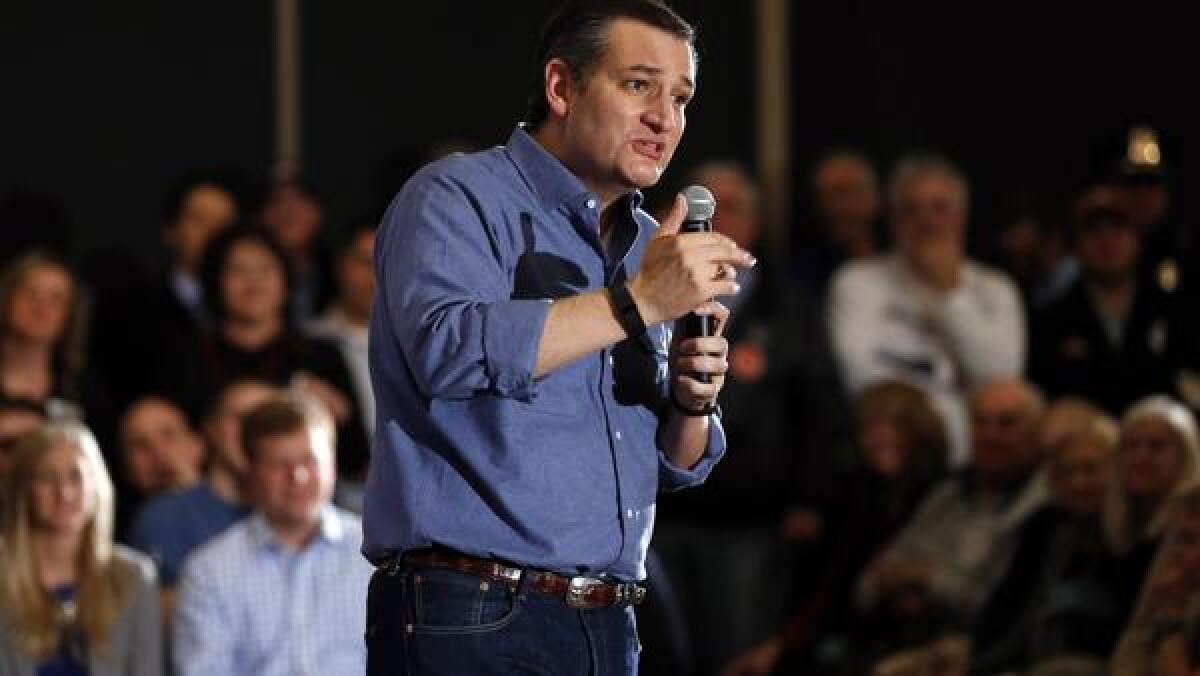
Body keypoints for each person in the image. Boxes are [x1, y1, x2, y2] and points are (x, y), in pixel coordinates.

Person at [362, 1, 755, 673]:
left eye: (681, 96)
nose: (665, 118)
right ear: (561, 87)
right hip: (473, 611)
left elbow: (665, 467)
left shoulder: (644, 252)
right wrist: (638, 303)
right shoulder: (456, 196)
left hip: (609, 621)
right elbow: (447, 349)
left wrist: (692, 402)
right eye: (638, 85)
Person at [721, 381, 948, 676]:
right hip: (859, 635)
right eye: (869, 426)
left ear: (919, 431)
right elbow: (834, 586)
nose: (878, 437)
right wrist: (782, 645)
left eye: (893, 425)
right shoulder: (861, 498)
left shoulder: (945, 496)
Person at [827, 153, 1026, 467]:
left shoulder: (996, 288)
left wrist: (948, 292)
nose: (926, 220)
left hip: (975, 461)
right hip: (890, 459)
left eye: (940, 207)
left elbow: (999, 381)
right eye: (911, 209)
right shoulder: (856, 282)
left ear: (962, 215)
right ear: (893, 217)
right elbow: (864, 381)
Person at [172, 393, 372, 676]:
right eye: (280, 465)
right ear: (251, 472)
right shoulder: (208, 572)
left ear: (332, 461)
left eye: (310, 460)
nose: (298, 477)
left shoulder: (376, 555)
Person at [0, 421, 162, 676]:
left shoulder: (134, 576)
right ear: (24, 490)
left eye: (76, 476)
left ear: (97, 486)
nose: (63, 492)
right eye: (46, 478)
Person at [126, 379, 277, 610]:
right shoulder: (164, 518)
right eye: (239, 418)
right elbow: (143, 618)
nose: (252, 430)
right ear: (211, 429)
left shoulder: (300, 515)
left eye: (267, 420)